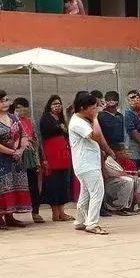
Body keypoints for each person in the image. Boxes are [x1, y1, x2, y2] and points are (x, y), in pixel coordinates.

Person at [0, 90, 32, 230]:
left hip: (16, 159)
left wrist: (20, 150)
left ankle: (10, 216)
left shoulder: (14, 118)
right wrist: (11, 151)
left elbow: (24, 135)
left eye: (7, 100)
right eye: (2, 101)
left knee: (14, 185)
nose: (6, 103)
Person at [70, 92, 109, 235]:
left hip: (86, 163)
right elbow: (96, 136)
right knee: (97, 192)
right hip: (87, 164)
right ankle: (92, 223)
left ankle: (80, 221)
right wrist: (95, 117)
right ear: (82, 108)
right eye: (92, 107)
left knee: (86, 193)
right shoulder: (78, 122)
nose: (95, 110)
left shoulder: (80, 120)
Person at [39, 95, 73, 222]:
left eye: (59, 104)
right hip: (51, 153)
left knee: (63, 182)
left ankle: (62, 212)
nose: (57, 106)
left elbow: (67, 132)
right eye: (54, 104)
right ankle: (55, 212)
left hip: (63, 153)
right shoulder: (45, 118)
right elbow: (46, 133)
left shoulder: (61, 118)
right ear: (49, 105)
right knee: (53, 182)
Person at [11, 97, 45, 224]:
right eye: (19, 107)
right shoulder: (10, 121)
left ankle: (35, 212)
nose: (22, 110)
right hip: (15, 157)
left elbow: (36, 140)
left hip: (30, 156)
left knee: (33, 185)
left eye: (25, 107)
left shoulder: (30, 122)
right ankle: (11, 213)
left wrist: (31, 142)